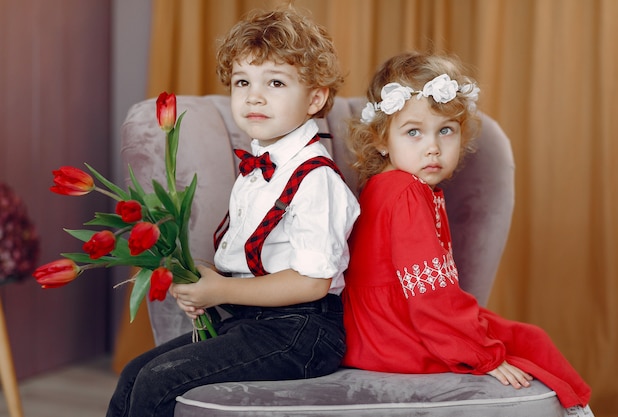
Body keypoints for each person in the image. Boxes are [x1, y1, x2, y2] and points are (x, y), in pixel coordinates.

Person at [106, 7, 359, 417]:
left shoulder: (316, 179)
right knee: (135, 373)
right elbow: (248, 257)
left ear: (315, 98)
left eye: (275, 82)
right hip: (249, 321)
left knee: (158, 382)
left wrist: (220, 291)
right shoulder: (258, 165)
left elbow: (313, 283)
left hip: (300, 332)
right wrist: (206, 281)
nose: (253, 95)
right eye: (243, 81)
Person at [341, 51, 593, 415]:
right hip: (392, 336)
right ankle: (579, 410)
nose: (433, 147)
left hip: (374, 330)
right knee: (529, 342)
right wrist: (483, 357)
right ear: (382, 140)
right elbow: (430, 295)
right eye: (414, 132)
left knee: (515, 334)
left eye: (446, 130)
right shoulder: (406, 192)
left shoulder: (388, 185)